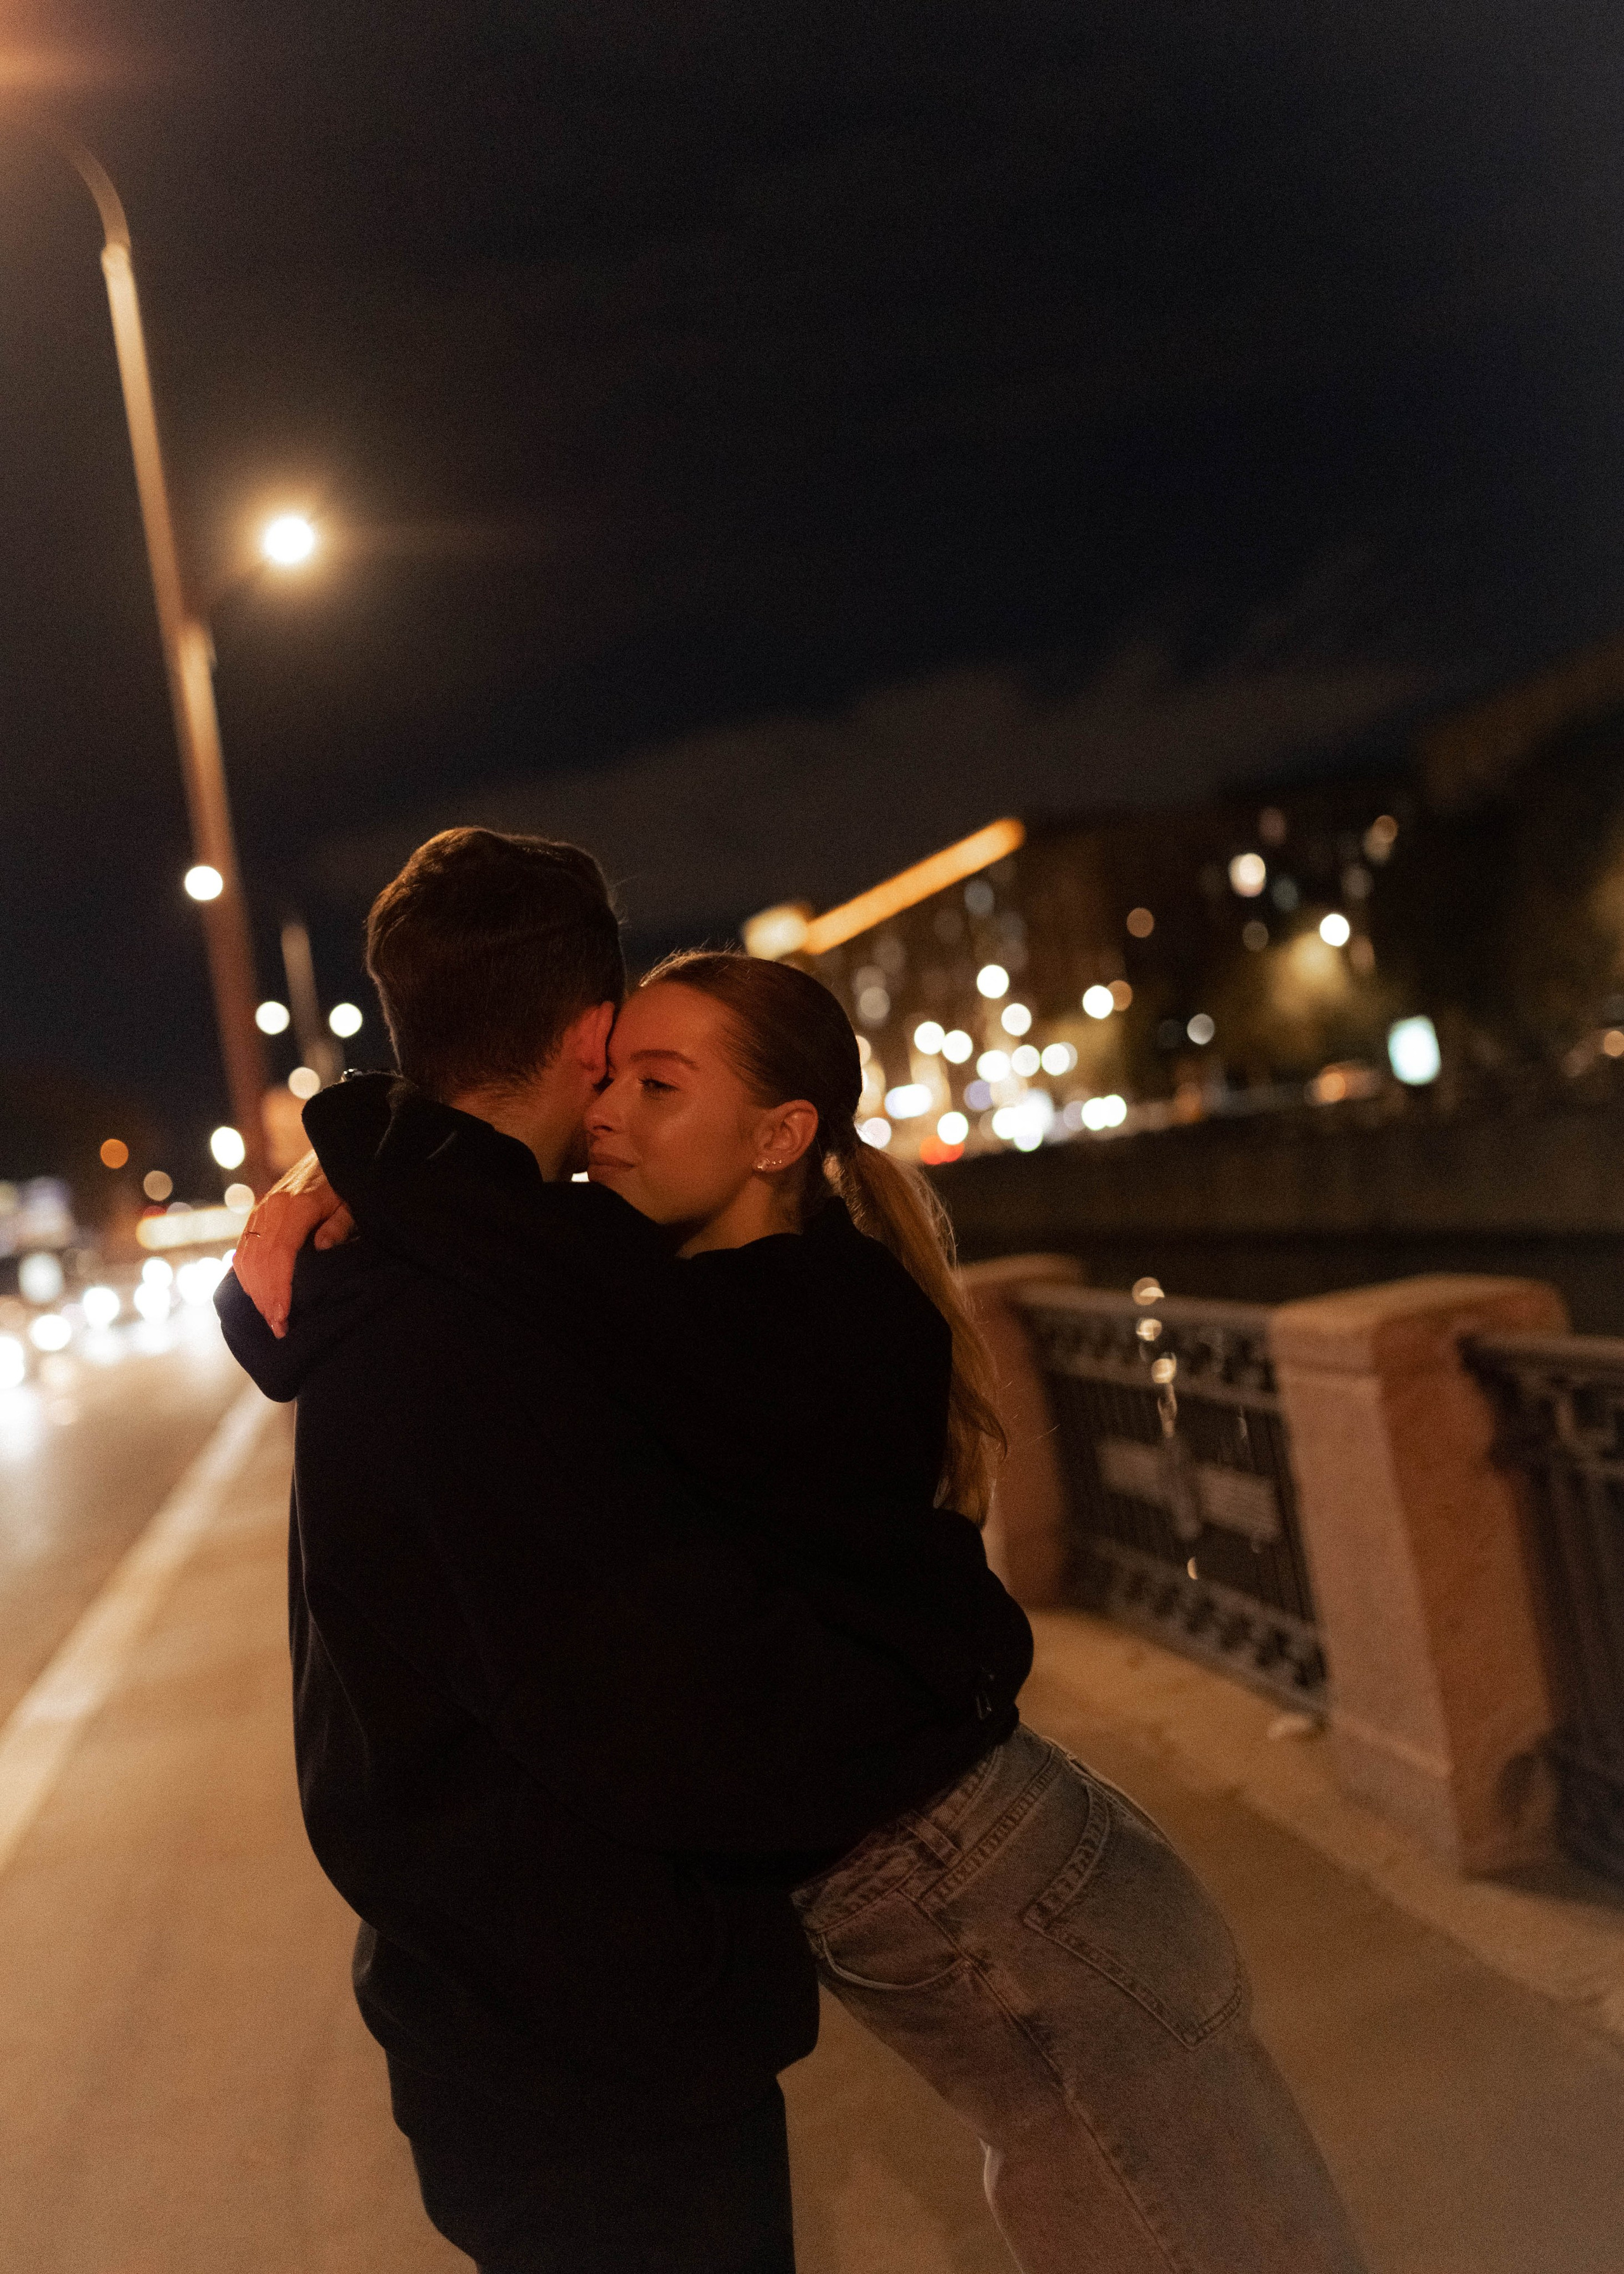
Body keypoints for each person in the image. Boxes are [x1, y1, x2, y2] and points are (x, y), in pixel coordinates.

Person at [239, 857, 1370, 2272]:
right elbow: (524, 1265)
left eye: (663, 1087)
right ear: (583, 1033)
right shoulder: (591, 1294)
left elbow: (522, 1273)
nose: (613, 1116)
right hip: (716, 1984)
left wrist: (359, 1176)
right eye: (622, 1074)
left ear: (778, 1136)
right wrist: (347, 1182)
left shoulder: (771, 1314)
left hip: (1010, 1885)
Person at [216, 828, 1031, 2274]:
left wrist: (350, 1169)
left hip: (495, 2019)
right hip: (593, 2054)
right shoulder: (491, 1321)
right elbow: (680, 1710)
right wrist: (951, 1667)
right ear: (589, 1032)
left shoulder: (441, 1272)